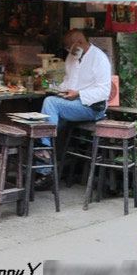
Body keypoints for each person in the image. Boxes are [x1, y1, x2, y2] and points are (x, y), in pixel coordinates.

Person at [34, 29, 111, 190]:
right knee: (44, 118)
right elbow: (68, 82)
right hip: (74, 104)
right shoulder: (73, 57)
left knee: (50, 104)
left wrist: (79, 93)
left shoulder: (99, 58)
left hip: (92, 108)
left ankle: (45, 158)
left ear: (80, 43)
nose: (68, 50)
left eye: (70, 47)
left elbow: (104, 92)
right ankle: (45, 167)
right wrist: (55, 88)